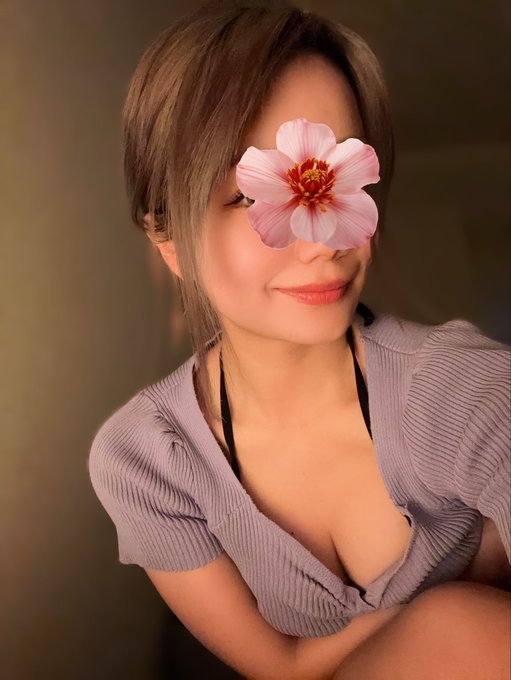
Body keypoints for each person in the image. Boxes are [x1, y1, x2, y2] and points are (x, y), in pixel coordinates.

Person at [88, 1, 511, 677]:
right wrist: (448, 605)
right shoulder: (144, 461)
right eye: (251, 196)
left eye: (340, 180)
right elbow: (280, 667)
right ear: (168, 241)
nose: (323, 243)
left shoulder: (470, 391)